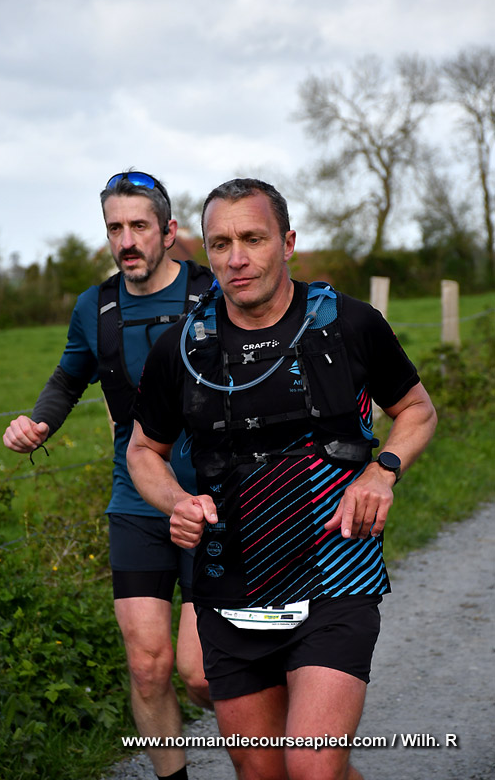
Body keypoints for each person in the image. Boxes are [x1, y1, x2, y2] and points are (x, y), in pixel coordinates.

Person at [126, 177, 438, 780]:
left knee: (313, 766)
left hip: (336, 573)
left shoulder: (350, 323)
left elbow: (417, 410)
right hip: (230, 585)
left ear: (287, 242)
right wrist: (176, 502)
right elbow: (143, 449)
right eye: (220, 244)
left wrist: (382, 472)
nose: (236, 258)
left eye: (253, 239)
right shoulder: (183, 348)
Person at [3, 170, 212, 780]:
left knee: (202, 674)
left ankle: (275, 741)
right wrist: (38, 423)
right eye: (115, 227)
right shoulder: (95, 307)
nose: (126, 240)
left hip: (215, 500)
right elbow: (69, 377)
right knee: (148, 666)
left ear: (168, 232)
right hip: (136, 500)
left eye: (139, 226)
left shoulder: (213, 292)